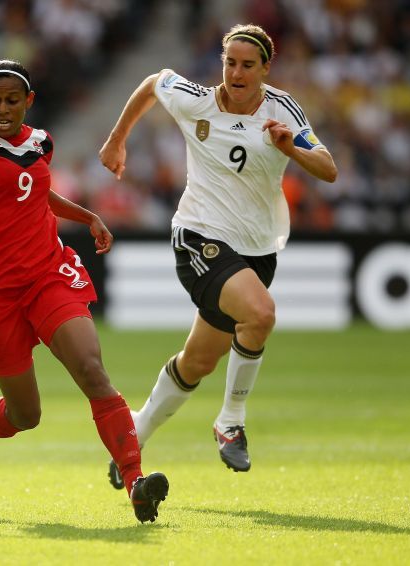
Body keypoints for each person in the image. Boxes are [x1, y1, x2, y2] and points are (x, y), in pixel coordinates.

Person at [0, 60, 169, 523]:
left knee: (91, 370)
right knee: (27, 415)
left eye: (12, 100)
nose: (3, 108)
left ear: (28, 102)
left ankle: (135, 482)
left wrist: (86, 216)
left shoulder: (40, 141)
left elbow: (35, 192)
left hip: (46, 275)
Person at [99, 24, 337, 487]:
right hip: (198, 236)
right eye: (230, 62)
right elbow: (153, 81)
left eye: (248, 65)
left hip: (257, 249)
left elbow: (327, 167)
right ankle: (231, 421)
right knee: (262, 314)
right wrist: (116, 139)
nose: (236, 72)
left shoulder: (282, 109)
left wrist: (292, 148)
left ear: (266, 69)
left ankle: (135, 433)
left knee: (198, 361)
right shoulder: (197, 100)